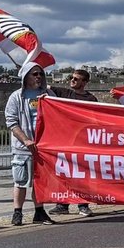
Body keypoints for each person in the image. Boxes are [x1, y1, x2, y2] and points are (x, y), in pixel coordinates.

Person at [4, 62, 56, 226]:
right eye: (34, 74)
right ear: (26, 76)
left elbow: (59, 115)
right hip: (23, 148)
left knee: (39, 181)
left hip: (43, 147)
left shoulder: (48, 94)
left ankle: (39, 211)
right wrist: (25, 140)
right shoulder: (17, 97)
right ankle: (17, 212)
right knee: (20, 181)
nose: (38, 77)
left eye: (40, 74)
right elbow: (12, 122)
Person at [48, 69, 98, 217]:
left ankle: (83, 205)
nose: (72, 80)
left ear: (85, 82)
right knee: (64, 173)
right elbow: (45, 87)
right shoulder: (64, 93)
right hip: (65, 140)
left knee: (82, 174)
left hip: (82, 142)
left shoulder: (91, 99)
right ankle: (62, 204)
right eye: (72, 78)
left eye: (76, 79)